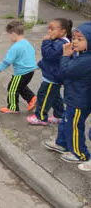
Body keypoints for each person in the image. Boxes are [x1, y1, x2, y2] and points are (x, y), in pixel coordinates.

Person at [43, 22, 91, 167]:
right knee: (66, 121)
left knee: (74, 126)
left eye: (80, 39)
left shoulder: (86, 60)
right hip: (74, 96)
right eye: (74, 38)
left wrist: (65, 56)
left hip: (79, 100)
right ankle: (62, 143)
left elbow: (65, 72)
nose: (74, 42)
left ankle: (80, 153)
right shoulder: (82, 55)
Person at [28, 18, 72, 126]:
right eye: (48, 28)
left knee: (44, 96)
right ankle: (59, 115)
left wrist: (46, 42)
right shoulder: (58, 41)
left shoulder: (62, 43)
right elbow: (49, 60)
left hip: (53, 77)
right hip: (52, 75)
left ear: (62, 31)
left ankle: (40, 117)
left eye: (52, 29)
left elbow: (48, 55)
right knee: (55, 96)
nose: (49, 31)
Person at [0, 20, 38, 114]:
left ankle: (13, 108)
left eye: (9, 34)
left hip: (21, 72)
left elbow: (7, 61)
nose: (9, 37)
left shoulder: (15, 47)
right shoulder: (26, 43)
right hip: (30, 71)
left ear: (13, 34)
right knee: (21, 87)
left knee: (12, 89)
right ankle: (32, 99)